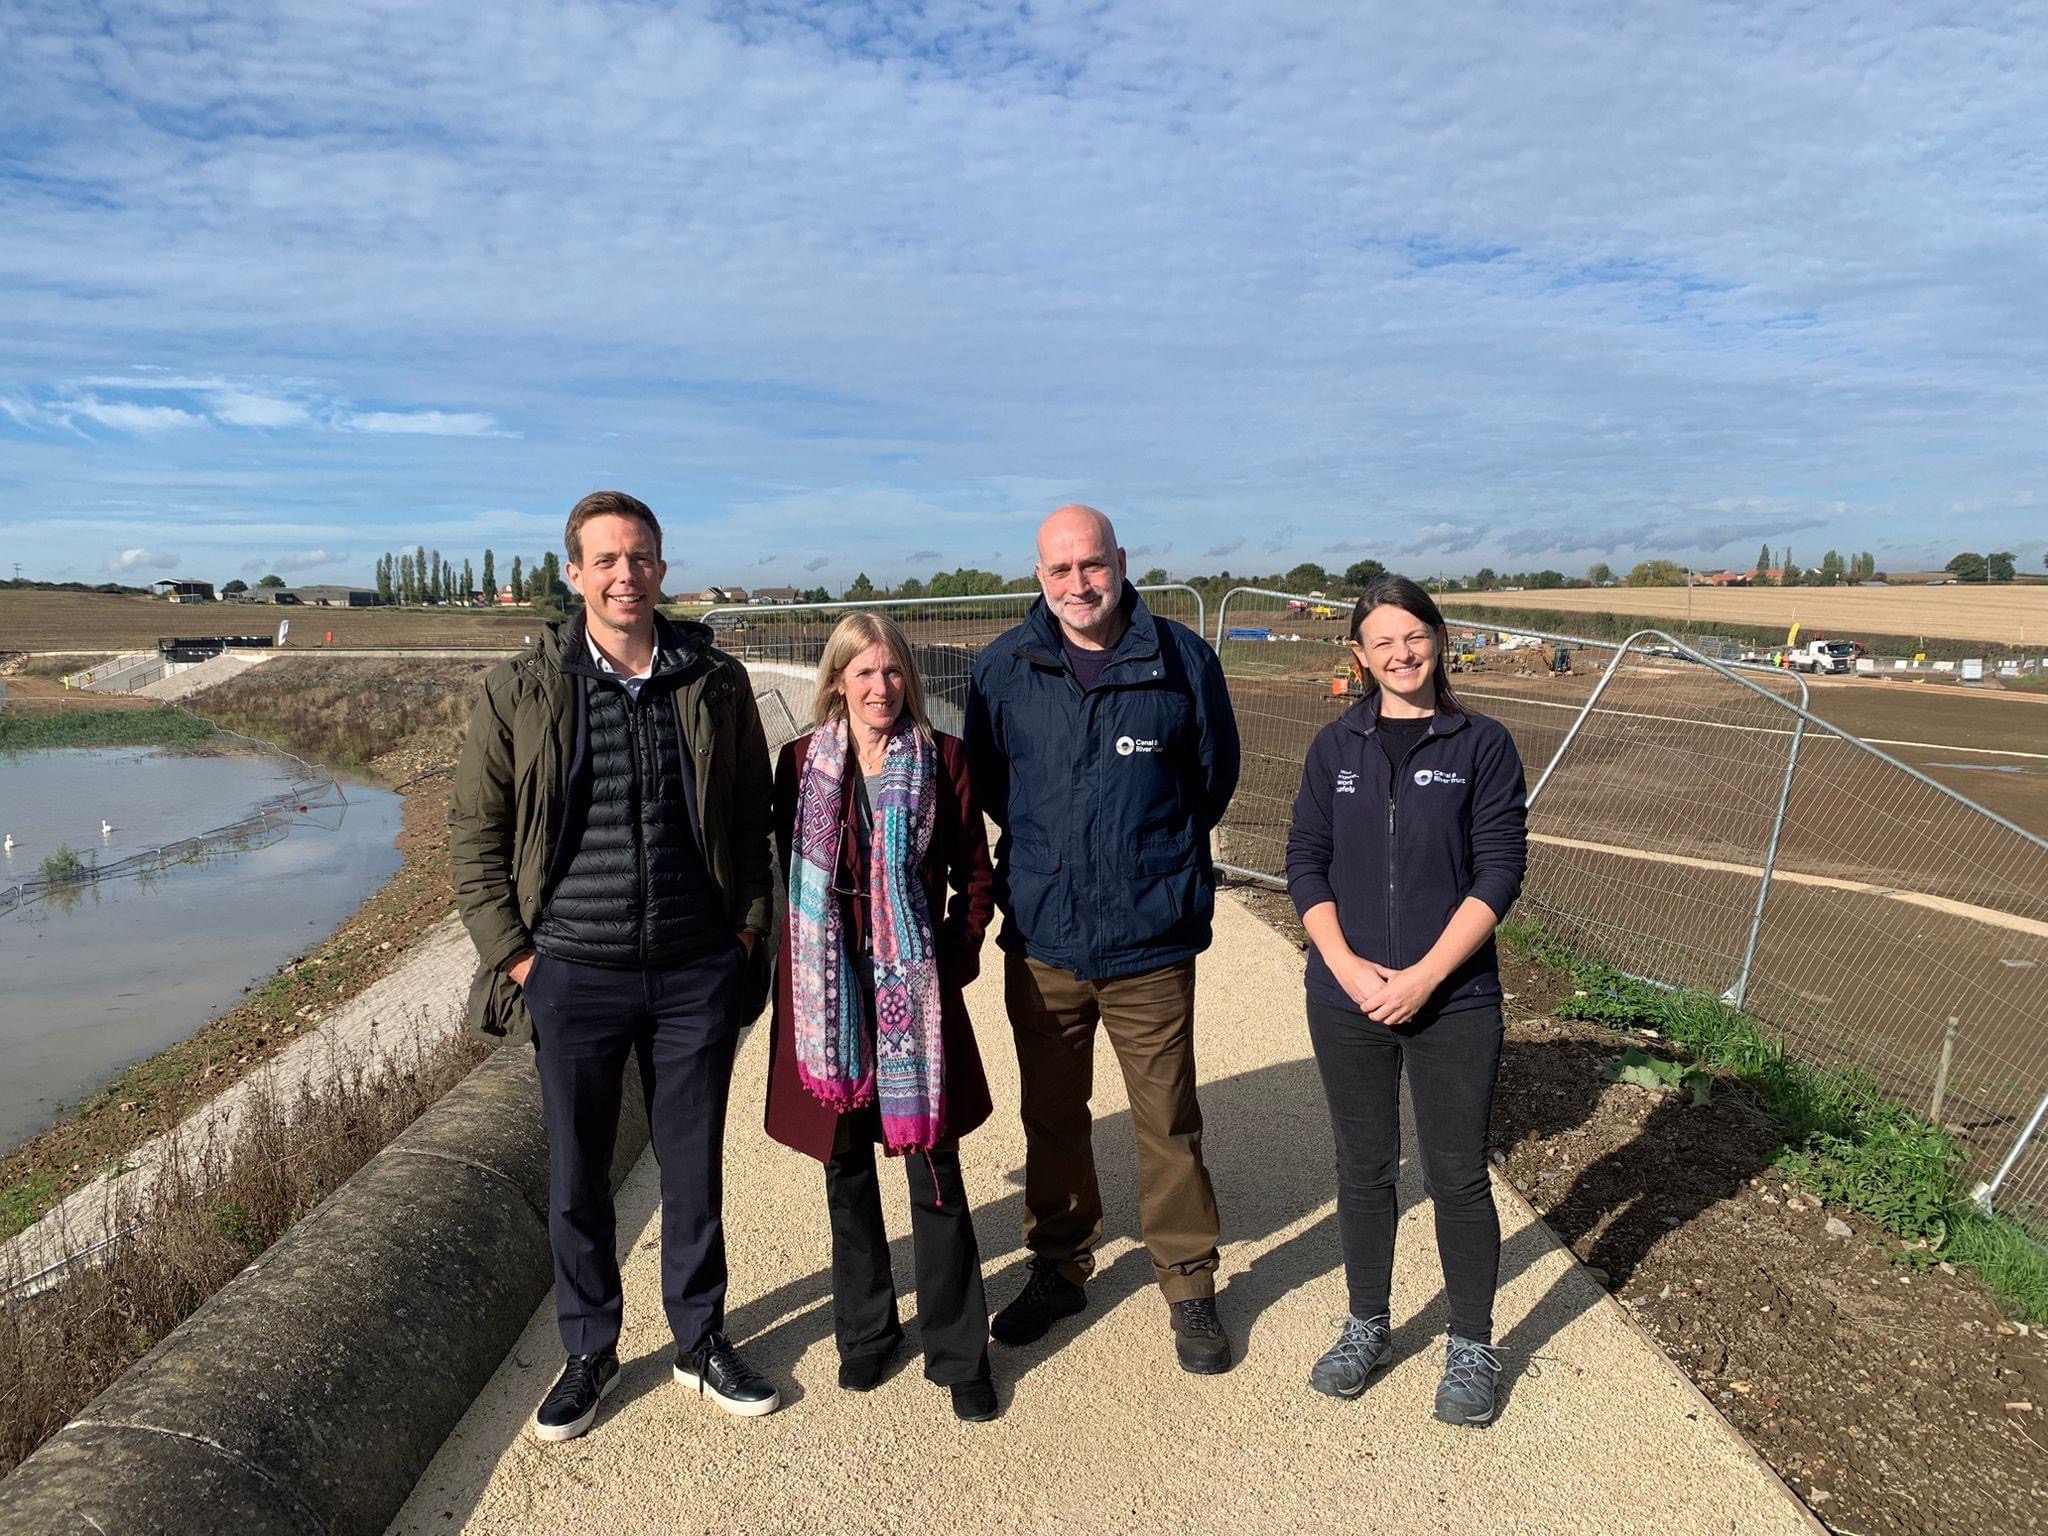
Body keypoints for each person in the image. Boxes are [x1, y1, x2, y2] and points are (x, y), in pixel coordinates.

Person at [450, 490, 781, 1442]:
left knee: (693, 1169)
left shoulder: (713, 681)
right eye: (605, 560)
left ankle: (700, 1339)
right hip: (573, 976)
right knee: (577, 1176)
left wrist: (745, 938)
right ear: (574, 574)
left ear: (662, 569)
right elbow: (474, 830)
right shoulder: (524, 686)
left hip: (693, 972)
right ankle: (590, 1348)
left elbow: (755, 821)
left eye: (639, 557)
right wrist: (516, 957)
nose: (624, 574)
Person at [964, 504, 1241, 1374]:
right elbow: (997, 784)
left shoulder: (1182, 662)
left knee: (1168, 1121)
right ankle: (1059, 1264)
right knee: (1051, 1116)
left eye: (1091, 565)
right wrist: (1055, 861)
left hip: (1149, 940)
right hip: (1045, 938)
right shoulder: (1003, 669)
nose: (1078, 585)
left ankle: (1189, 1283)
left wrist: (1143, 860)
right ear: (1037, 576)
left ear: (1121, 562)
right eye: (1059, 571)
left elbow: (1212, 780)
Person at [1284, 574, 1529, 1428]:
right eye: (1381, 640)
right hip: (1345, 996)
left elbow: (1499, 870)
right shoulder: (1334, 750)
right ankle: (1368, 1324)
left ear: (1440, 639)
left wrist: (1425, 976)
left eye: (1414, 634)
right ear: (1359, 655)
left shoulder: (1482, 744)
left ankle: (1471, 1342)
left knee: (1457, 1174)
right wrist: (1348, 967)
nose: (1400, 652)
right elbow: (1305, 863)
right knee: (1364, 1168)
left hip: (1453, 1000)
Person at [764, 613, 1000, 1422]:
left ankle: (960, 1351)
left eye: (893, 672)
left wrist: (952, 961)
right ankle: (866, 1336)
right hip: (831, 998)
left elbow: (974, 872)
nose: (881, 688)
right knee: (846, 1170)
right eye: (863, 673)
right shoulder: (800, 764)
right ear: (836, 682)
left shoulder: (942, 760)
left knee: (934, 1171)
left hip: (913, 996)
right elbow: (785, 875)